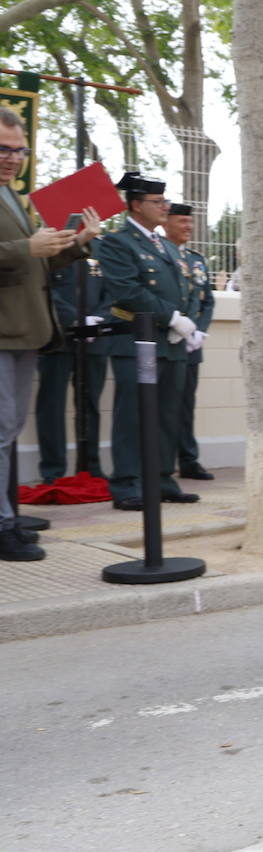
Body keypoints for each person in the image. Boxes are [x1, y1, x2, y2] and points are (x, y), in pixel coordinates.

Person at [0, 108, 102, 560]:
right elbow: (22, 255)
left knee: (8, 429)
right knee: (1, 430)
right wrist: (28, 247)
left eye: (19, 150)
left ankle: (6, 516)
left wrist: (75, 244)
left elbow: (32, 265)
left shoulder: (11, 195)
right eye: (3, 149)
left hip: (24, 330)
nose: (12, 158)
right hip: (3, 332)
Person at [97, 172, 201, 511]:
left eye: (165, 201)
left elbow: (181, 287)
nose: (164, 207)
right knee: (133, 415)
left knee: (167, 414)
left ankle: (161, 478)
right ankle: (127, 483)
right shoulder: (119, 242)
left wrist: (185, 323)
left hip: (169, 342)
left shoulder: (164, 245)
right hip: (136, 340)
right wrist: (171, 318)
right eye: (158, 202)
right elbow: (128, 291)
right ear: (136, 205)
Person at [34, 243, 108, 482]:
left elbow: (114, 289)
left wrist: (98, 320)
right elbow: (43, 287)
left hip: (93, 338)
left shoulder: (102, 248)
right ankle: (52, 472)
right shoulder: (51, 244)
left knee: (90, 405)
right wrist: (75, 318)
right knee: (51, 405)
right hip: (59, 337)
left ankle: (90, 468)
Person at [166, 202, 216, 479]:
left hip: (191, 344)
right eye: (181, 221)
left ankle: (188, 459)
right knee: (164, 405)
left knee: (186, 405)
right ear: (166, 222)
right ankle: (159, 461)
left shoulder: (197, 260)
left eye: (189, 222)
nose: (187, 227)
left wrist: (200, 331)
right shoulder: (160, 253)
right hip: (168, 338)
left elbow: (207, 300)